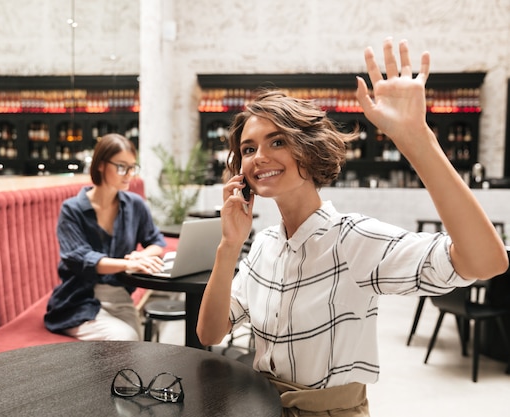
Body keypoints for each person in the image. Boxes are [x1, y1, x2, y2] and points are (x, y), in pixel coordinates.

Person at [196, 38, 508, 416]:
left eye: (276, 141)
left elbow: (485, 262)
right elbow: (210, 334)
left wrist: (418, 140)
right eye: (248, 149)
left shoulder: (353, 240)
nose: (259, 157)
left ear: (308, 155)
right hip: (258, 406)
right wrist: (229, 245)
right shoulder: (263, 245)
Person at [45, 133, 166, 341]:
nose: (129, 174)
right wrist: (128, 264)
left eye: (132, 167)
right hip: (79, 300)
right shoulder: (72, 210)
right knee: (126, 339)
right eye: (121, 167)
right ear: (101, 164)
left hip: (120, 296)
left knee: (137, 345)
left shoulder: (135, 205)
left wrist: (139, 256)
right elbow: (84, 260)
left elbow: (156, 242)